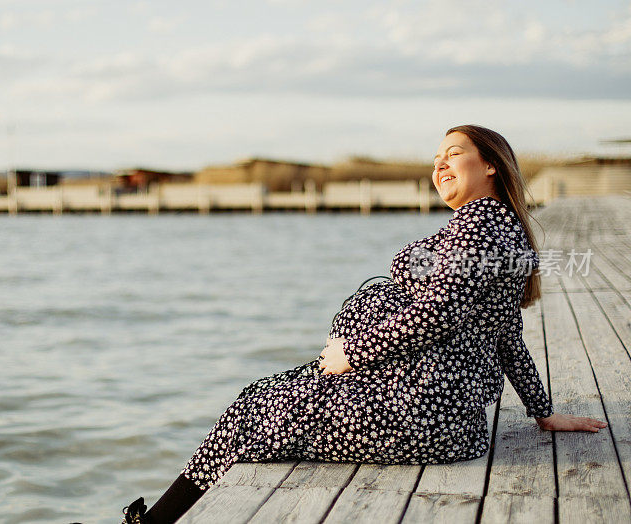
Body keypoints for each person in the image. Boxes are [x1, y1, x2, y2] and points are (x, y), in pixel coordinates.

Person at [120, 124, 607, 524]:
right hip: (438, 409)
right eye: (436, 156)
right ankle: (156, 521)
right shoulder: (498, 225)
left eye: (453, 153)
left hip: (419, 410)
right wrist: (542, 411)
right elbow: (505, 334)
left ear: (490, 164)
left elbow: (434, 315)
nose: (439, 164)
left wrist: (351, 353)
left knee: (251, 414)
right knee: (264, 401)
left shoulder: (477, 229)